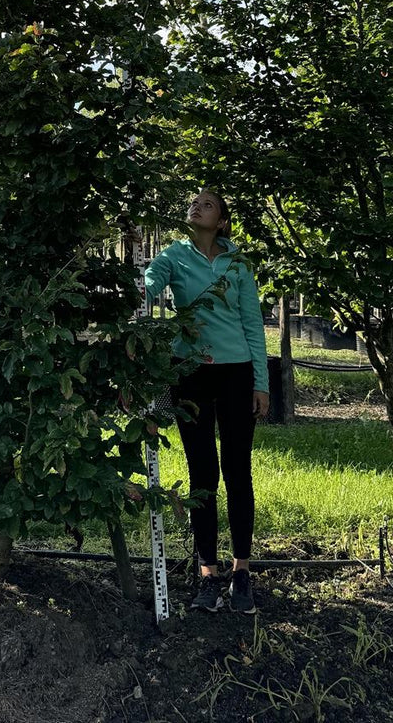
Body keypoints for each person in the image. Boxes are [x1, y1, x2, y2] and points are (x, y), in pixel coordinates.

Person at [144, 190, 269, 615]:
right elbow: (149, 283)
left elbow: (252, 322)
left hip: (236, 372)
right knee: (202, 473)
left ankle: (242, 572)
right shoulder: (173, 256)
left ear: (222, 222)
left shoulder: (238, 264)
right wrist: (138, 292)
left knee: (237, 469)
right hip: (190, 373)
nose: (196, 206)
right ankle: (207, 575)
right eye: (193, 202)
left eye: (208, 204)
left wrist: (261, 383)